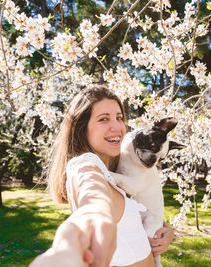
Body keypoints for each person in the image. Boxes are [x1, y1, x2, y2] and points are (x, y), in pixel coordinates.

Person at [30, 85, 174, 267]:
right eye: (103, 119)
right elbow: (93, 198)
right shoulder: (85, 165)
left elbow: (135, 210)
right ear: (82, 129)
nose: (117, 126)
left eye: (119, 118)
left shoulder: (121, 166)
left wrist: (165, 231)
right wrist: (69, 245)